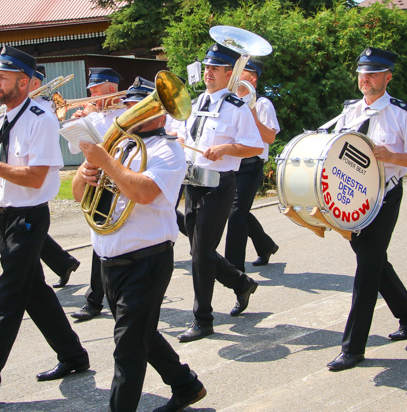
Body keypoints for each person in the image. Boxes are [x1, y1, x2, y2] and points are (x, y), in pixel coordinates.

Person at [0, 46, 89, 409]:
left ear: (25, 82)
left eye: (3, 77)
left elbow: (35, 176)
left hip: (29, 216)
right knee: (34, 292)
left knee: (10, 298)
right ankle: (74, 356)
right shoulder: (6, 115)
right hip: (10, 214)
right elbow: (7, 167)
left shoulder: (40, 117)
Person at [72, 77, 207, 412]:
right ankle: (185, 385)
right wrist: (85, 172)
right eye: (131, 106)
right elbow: (79, 195)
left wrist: (106, 163)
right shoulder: (121, 147)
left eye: (143, 105)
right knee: (141, 334)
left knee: (127, 350)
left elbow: (143, 193)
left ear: (162, 112)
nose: (133, 112)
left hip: (145, 262)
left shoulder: (167, 150)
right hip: (110, 261)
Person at [326, 47, 407, 371]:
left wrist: (392, 156)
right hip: (352, 199)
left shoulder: (403, 113)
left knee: (367, 267)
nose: (365, 78)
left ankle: (353, 348)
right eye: (362, 72)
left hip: (385, 198)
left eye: (373, 73)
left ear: (388, 77)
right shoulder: (349, 111)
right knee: (372, 261)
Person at [174, 44, 264, 342]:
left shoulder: (236, 108)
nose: (208, 73)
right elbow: (185, 133)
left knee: (199, 254)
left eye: (215, 69)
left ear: (229, 74)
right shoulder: (196, 101)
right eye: (207, 67)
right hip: (192, 182)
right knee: (201, 249)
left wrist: (226, 148)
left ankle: (203, 319)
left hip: (219, 184)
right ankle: (241, 283)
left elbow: (255, 146)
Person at [68, 67, 126, 322]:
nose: (89, 93)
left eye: (95, 89)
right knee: (98, 237)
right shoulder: (92, 115)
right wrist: (79, 121)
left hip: (120, 183)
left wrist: (91, 118)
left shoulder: (125, 113)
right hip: (95, 182)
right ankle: (95, 299)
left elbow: (113, 144)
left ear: (111, 89)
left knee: (114, 239)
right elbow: (72, 148)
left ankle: (97, 300)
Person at [223, 59, 281, 271]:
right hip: (232, 163)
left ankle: (233, 267)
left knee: (236, 213)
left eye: (242, 71)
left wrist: (253, 115)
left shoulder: (262, 104)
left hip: (251, 165)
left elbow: (269, 138)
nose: (236, 74)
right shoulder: (229, 102)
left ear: (252, 78)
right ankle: (265, 245)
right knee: (237, 210)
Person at [31, 65, 80, 289]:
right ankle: (62, 263)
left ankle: (18, 287)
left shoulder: (43, 108)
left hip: (36, 176)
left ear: (36, 82)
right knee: (27, 237)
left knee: (26, 236)